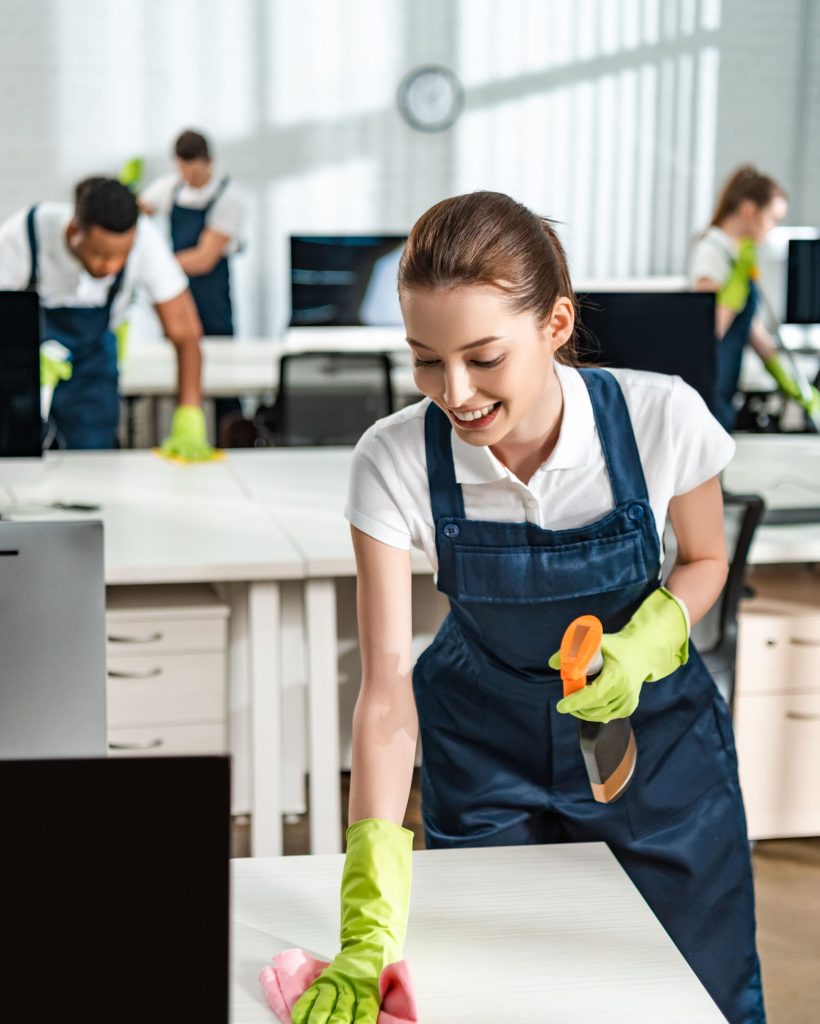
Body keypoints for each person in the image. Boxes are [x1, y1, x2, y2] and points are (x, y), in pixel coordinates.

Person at [291, 193, 765, 1024]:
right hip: (484, 754)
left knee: (698, 993)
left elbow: (704, 559)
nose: (456, 392)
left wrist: (647, 641)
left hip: (655, 751)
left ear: (554, 324)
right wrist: (367, 919)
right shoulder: (394, 458)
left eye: (483, 357)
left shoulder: (660, 416)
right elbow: (386, 689)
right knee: (497, 993)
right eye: (426, 360)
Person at [0, 176, 213, 457]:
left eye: (121, 256)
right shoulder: (24, 235)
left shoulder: (146, 241)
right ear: (74, 230)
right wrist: (19, 359)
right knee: (15, 456)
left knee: (93, 460)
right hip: (24, 371)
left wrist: (189, 416)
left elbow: (185, 334)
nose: (111, 266)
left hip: (93, 368)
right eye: (100, 254)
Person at [690, 164, 819, 431]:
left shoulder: (737, 255)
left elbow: (754, 332)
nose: (772, 229)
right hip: (707, 389)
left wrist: (793, 386)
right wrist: (735, 286)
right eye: (773, 218)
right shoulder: (712, 250)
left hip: (724, 391)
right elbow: (707, 332)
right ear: (750, 210)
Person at [140, 129, 245, 435]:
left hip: (212, 302)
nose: (190, 177)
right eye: (184, 170)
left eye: (196, 171)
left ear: (209, 161)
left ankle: (230, 439)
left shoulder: (229, 198)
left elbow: (204, 258)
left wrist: (155, 264)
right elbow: (138, 212)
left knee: (223, 379)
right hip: (178, 297)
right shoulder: (169, 188)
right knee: (177, 369)